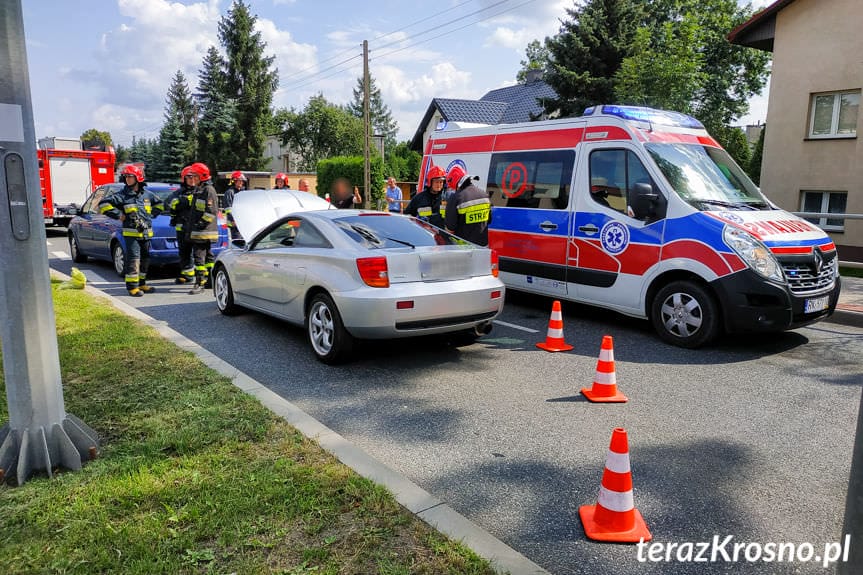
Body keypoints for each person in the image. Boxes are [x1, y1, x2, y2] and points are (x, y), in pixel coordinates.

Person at [98, 165, 164, 296]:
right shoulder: (122, 195)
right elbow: (103, 204)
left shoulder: (147, 195)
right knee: (134, 259)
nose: (127, 179)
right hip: (131, 234)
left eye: (130, 176)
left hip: (146, 233)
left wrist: (151, 215)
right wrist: (119, 215)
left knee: (145, 259)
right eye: (126, 176)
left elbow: (160, 204)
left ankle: (142, 283)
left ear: (138, 178)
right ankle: (132, 287)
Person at [184, 162, 219, 295]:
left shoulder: (208, 190)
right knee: (209, 257)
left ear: (202, 176)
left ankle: (199, 283)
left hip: (203, 231)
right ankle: (209, 281)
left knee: (199, 257)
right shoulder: (200, 189)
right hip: (202, 231)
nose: (193, 179)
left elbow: (211, 212)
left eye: (195, 176)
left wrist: (199, 225)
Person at [445, 165, 492, 246]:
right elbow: (489, 220)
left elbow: (450, 228)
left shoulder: (456, 198)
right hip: (483, 247)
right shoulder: (484, 195)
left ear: (454, 182)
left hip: (464, 249)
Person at [168, 165, 196, 284]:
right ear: (184, 179)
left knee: (200, 254)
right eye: (189, 177)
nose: (192, 179)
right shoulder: (179, 192)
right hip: (182, 228)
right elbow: (169, 203)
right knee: (184, 253)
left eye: (194, 177)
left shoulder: (201, 191)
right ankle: (187, 275)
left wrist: (188, 200)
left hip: (197, 228)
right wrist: (181, 201)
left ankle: (203, 279)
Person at [223, 170, 246, 239]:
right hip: (234, 224)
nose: (241, 182)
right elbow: (228, 209)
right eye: (239, 180)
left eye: (242, 181)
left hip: (243, 223)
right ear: (234, 181)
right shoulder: (229, 193)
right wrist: (234, 221)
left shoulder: (243, 192)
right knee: (238, 243)